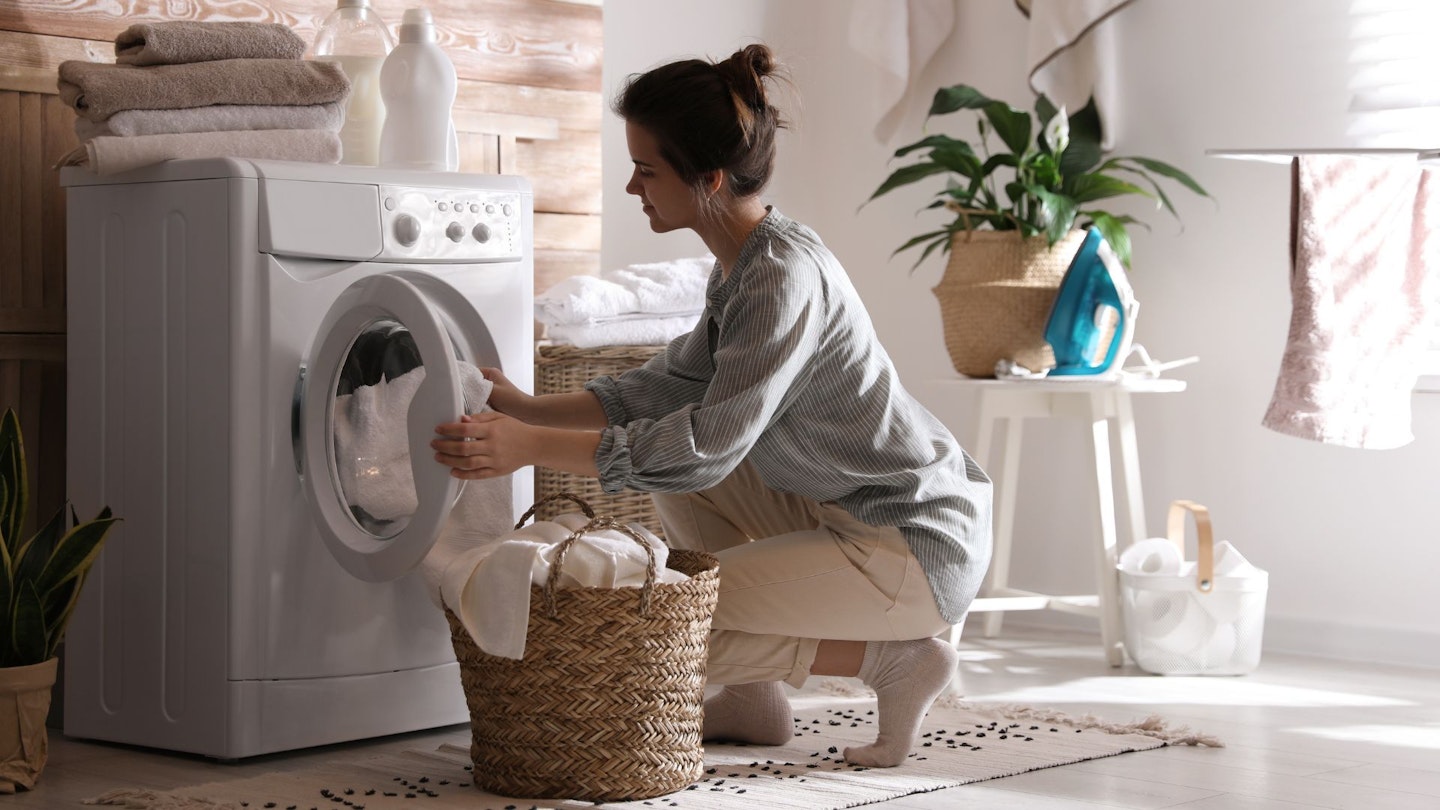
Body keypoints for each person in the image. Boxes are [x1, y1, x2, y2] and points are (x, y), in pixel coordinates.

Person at [431, 43, 992, 768]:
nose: (634, 186)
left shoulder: (778, 279)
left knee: (666, 615)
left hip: (910, 542)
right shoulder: (746, 262)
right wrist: (529, 408)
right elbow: (664, 390)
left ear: (710, 179)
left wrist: (528, 447)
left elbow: (704, 446)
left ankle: (895, 663)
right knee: (688, 474)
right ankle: (753, 698)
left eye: (647, 169)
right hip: (856, 509)